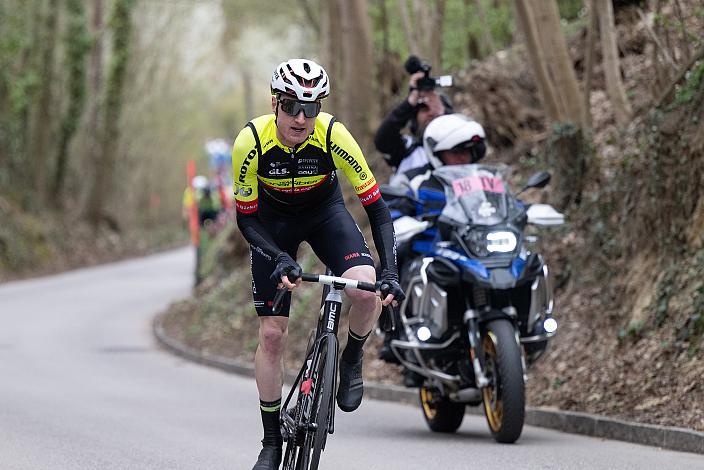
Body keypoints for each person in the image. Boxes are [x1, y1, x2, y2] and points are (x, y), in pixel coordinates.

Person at [232, 58, 405, 470]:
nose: (301, 117)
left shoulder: (333, 136)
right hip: (270, 223)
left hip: (325, 213)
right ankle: (271, 440)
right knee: (273, 335)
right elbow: (245, 216)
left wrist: (390, 274)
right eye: (292, 106)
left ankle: (351, 357)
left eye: (311, 108)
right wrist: (277, 257)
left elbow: (378, 211)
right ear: (275, 103)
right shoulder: (251, 142)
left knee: (365, 289)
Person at [378, 113, 487, 379]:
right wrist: (405, 220)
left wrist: (523, 211)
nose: (463, 157)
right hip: (430, 249)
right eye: (456, 152)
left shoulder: (483, 179)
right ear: (437, 153)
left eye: (468, 151)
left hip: (472, 250)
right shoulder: (415, 180)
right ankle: (395, 335)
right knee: (396, 262)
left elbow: (502, 205)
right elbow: (390, 210)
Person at [374, 70, 453, 177]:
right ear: (415, 117)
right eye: (424, 109)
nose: (430, 113)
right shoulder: (406, 147)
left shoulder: (456, 148)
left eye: (435, 107)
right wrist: (410, 101)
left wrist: (441, 113)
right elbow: (383, 139)